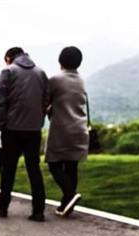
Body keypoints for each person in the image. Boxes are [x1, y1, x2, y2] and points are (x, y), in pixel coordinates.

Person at [0, 47, 48, 221]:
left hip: (12, 129)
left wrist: (2, 125)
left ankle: (3, 206)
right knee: (34, 169)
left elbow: (1, 102)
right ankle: (38, 210)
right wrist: (39, 121)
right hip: (34, 129)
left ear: (9, 58)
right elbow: (45, 101)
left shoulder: (8, 71)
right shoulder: (41, 73)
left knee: (8, 169)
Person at [46, 46, 88, 217]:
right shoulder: (81, 80)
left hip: (61, 129)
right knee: (72, 166)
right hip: (80, 129)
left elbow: (45, 101)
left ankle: (70, 194)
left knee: (53, 164)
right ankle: (65, 205)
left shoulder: (55, 80)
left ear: (60, 61)